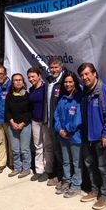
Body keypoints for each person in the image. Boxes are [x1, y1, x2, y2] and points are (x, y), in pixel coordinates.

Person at [77, 63, 106, 210]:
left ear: (95, 74)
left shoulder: (102, 91)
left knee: (103, 168)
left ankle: (105, 196)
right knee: (90, 165)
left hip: (101, 138)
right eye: (82, 75)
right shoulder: (86, 92)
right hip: (88, 136)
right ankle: (94, 190)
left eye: (87, 74)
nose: (84, 77)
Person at [54, 71, 83, 198]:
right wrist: (59, 129)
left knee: (76, 162)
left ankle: (76, 186)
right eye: (66, 82)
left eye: (70, 81)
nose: (67, 84)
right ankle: (67, 180)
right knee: (66, 160)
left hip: (74, 135)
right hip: (62, 135)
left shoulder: (79, 97)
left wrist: (67, 130)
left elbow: (78, 118)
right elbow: (56, 115)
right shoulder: (62, 97)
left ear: (75, 82)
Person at [5, 73, 32, 178]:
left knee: (24, 149)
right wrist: (12, 123)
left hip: (25, 125)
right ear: (12, 82)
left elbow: (30, 112)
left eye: (20, 80)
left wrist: (22, 124)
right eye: (16, 80)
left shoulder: (27, 96)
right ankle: (17, 168)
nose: (18, 82)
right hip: (12, 125)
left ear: (23, 81)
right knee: (15, 149)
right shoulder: (9, 96)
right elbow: (7, 111)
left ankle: (26, 169)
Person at [44, 58, 64, 187]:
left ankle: (64, 178)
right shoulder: (48, 81)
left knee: (62, 152)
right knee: (55, 151)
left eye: (56, 67)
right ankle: (58, 175)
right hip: (49, 123)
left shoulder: (64, 82)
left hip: (60, 125)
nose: (54, 70)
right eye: (52, 67)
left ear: (61, 68)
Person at [27, 67, 51, 182]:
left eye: (33, 76)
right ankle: (39, 170)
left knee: (47, 146)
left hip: (45, 121)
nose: (31, 79)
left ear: (39, 76)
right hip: (35, 121)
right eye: (29, 77)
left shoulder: (46, 87)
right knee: (38, 146)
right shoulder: (31, 90)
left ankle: (48, 170)